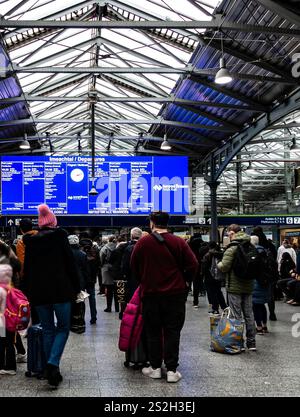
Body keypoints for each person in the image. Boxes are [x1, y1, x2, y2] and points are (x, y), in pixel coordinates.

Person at [131, 211, 198, 383]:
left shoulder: (143, 243)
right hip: (175, 295)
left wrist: (145, 280)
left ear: (152, 223)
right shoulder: (178, 242)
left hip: (151, 295)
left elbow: (133, 267)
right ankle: (172, 371)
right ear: (167, 223)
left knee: (153, 332)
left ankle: (155, 368)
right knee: (172, 332)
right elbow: (193, 265)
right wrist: (185, 282)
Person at [23, 204, 80, 388]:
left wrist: (28, 293)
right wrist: (77, 286)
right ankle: (52, 364)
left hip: (39, 293)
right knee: (63, 327)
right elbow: (69, 263)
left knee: (47, 329)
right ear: (53, 222)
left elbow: (28, 270)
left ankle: (51, 372)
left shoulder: (30, 241)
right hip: (61, 291)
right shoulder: (60, 236)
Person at [217, 224, 257, 351]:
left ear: (232, 233)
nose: (228, 235)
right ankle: (252, 343)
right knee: (249, 315)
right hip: (249, 285)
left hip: (234, 287)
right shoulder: (250, 245)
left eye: (228, 233)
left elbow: (224, 267)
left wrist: (218, 264)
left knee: (236, 315)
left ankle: (238, 342)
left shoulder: (232, 248)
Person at [252, 226, 278, 321]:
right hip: (270, 273)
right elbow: (275, 258)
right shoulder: (269, 245)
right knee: (270, 295)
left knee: (257, 296)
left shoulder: (255, 245)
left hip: (258, 274)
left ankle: (259, 317)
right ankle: (272, 314)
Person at [68, 235, 89, 333]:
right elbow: (85, 270)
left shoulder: (66, 254)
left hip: (68, 283)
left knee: (70, 303)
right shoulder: (82, 254)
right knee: (80, 303)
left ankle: (71, 323)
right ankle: (80, 323)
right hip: (80, 283)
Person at [250, 236, 271, 335]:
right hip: (265, 282)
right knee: (262, 305)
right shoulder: (265, 251)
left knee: (255, 305)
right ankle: (264, 326)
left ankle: (258, 327)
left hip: (256, 282)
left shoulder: (254, 252)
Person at [0, 264, 17, 375]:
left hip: (3, 320)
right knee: (9, 342)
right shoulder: (10, 287)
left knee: (2, 342)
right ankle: (9, 366)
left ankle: (8, 367)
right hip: (11, 319)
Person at [202, 242, 227, 315]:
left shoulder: (208, 255)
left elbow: (204, 267)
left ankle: (215, 308)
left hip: (209, 277)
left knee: (212, 293)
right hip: (218, 276)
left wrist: (203, 274)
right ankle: (224, 307)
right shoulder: (220, 254)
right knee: (218, 292)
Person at [79, 237, 99, 324]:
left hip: (82, 281)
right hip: (91, 280)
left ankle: (80, 317)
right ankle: (93, 317)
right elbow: (99, 265)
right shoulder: (95, 253)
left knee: (81, 299)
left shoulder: (80, 254)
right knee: (92, 298)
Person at [100, 235, 118, 312]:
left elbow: (101, 258)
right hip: (116, 269)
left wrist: (102, 265)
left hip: (106, 269)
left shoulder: (104, 248)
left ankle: (109, 307)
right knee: (117, 289)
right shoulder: (118, 247)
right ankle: (117, 308)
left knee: (109, 289)